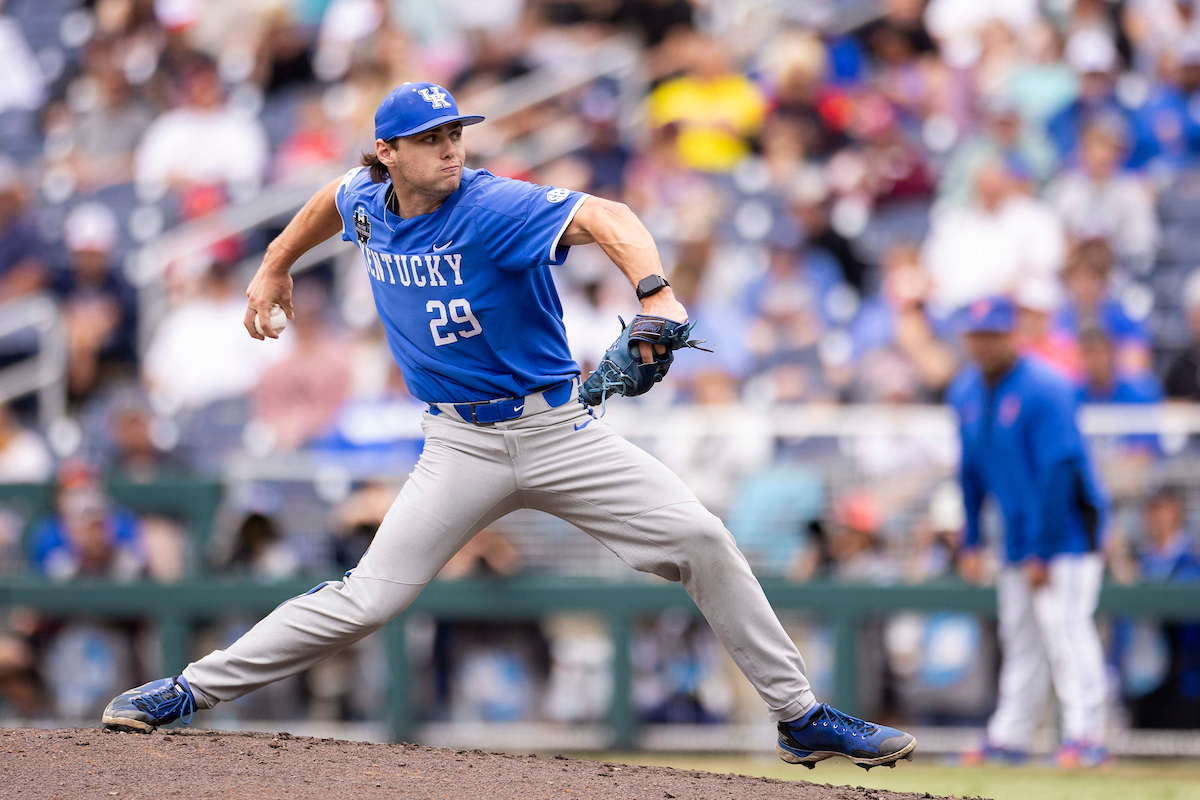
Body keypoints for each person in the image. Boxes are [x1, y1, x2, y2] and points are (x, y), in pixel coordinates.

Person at [101, 81, 916, 770]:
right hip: (457, 445)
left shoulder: (493, 205)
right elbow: (327, 201)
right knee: (365, 603)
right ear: (386, 152)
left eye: (454, 133)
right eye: (428, 139)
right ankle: (187, 690)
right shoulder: (366, 201)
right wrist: (275, 263)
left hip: (559, 431)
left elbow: (609, 214)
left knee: (703, 540)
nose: (449, 149)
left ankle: (799, 715)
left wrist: (656, 292)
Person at [949, 296, 1110, 768]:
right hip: (1016, 535)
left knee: (1067, 630)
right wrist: (973, 538)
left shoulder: (1047, 387)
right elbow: (970, 472)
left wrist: (1042, 550)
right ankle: (1011, 736)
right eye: (977, 335)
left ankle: (1088, 735)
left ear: (1013, 334)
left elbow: (1059, 472)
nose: (984, 344)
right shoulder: (965, 392)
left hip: (1067, 535)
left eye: (994, 334)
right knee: (1020, 637)